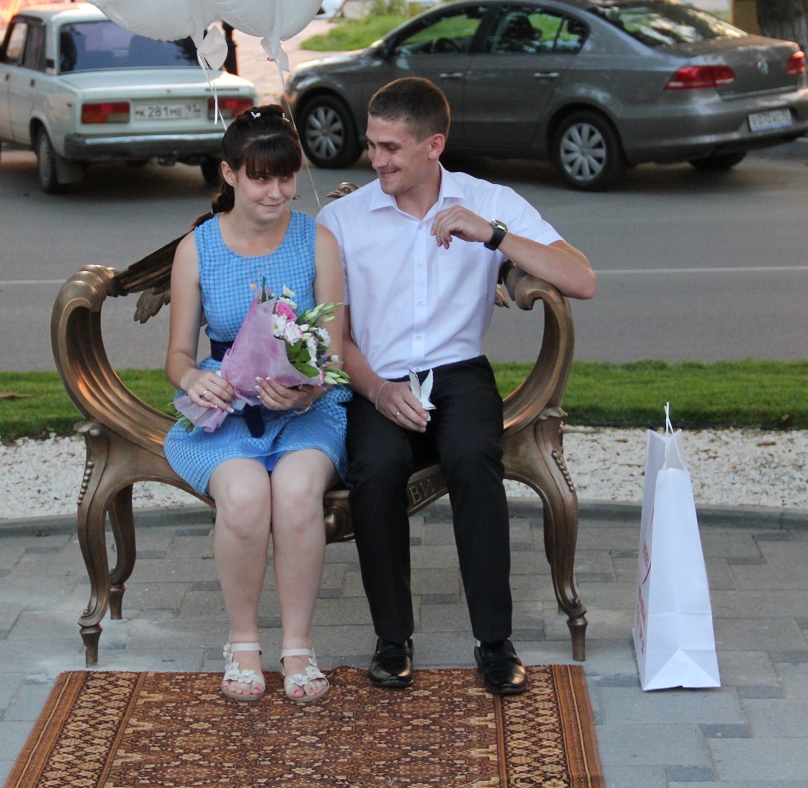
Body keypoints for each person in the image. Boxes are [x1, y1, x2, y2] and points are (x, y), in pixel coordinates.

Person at [317, 77, 596, 697]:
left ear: (434, 145)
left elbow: (582, 279)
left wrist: (493, 235)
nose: (376, 159)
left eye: (391, 147)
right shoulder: (341, 219)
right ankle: (393, 640)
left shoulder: (487, 200)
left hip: (459, 372)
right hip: (377, 377)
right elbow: (335, 340)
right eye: (372, 144)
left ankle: (495, 643)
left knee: (473, 455)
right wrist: (377, 391)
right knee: (375, 468)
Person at [163, 105, 350, 705]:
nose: (277, 191)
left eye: (287, 177)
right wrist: (194, 378)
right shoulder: (197, 249)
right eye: (261, 177)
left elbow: (335, 352)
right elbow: (176, 356)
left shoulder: (317, 239)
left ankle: (298, 647)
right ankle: (243, 643)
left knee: (295, 493)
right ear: (230, 174)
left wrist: (306, 389)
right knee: (244, 499)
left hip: (308, 406)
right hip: (228, 408)